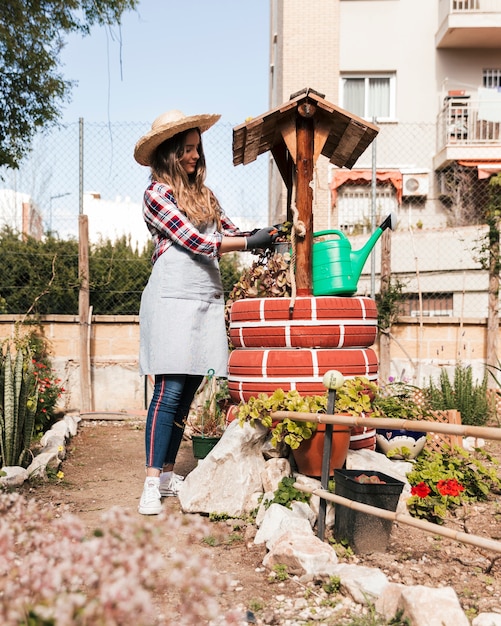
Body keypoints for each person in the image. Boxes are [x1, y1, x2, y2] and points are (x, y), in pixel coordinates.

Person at [133, 110, 279, 515]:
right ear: (169, 153)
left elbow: (229, 232)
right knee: (168, 390)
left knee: (189, 390)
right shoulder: (156, 195)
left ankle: (165, 475)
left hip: (203, 299)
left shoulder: (206, 196)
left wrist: (267, 234)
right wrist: (249, 245)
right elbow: (195, 242)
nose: (196, 156)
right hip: (172, 298)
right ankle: (150, 482)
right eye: (188, 149)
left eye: (198, 148)